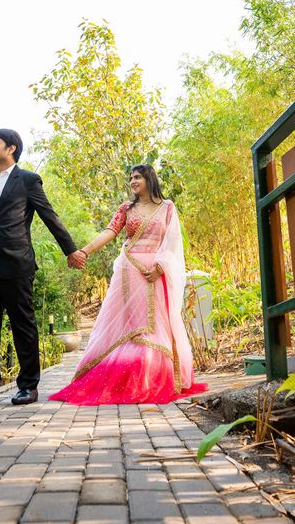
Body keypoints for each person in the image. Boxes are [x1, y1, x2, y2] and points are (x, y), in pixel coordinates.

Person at [50, 164, 208, 405]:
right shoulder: (126, 208)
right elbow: (110, 232)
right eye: (131, 178)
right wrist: (85, 250)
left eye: (137, 177)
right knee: (128, 321)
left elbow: (173, 242)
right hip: (129, 270)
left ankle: (153, 374)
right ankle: (124, 373)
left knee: (156, 323)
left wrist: (160, 267)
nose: (133, 181)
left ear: (149, 178)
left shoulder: (167, 207)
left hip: (155, 271)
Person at [0, 129, 87, 406]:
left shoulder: (27, 180)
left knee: (23, 324)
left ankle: (28, 385)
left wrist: (70, 250)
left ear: (10, 148)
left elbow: (49, 216)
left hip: (17, 264)